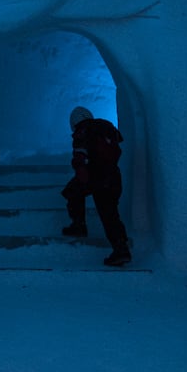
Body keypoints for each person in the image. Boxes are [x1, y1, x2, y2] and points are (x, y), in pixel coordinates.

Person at [60, 106, 132, 267]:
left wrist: (81, 172)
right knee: (110, 214)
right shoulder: (106, 127)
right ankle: (121, 247)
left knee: (72, 192)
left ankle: (78, 225)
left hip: (96, 176)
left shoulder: (83, 131)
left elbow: (80, 156)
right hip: (113, 176)